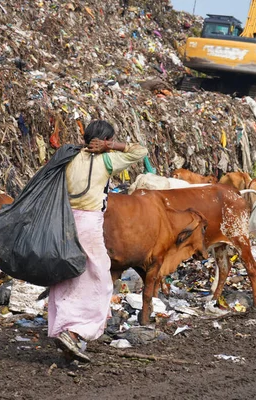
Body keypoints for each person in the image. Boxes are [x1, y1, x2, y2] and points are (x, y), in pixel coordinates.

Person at [48, 120, 148, 362]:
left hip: (62, 221)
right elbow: (141, 151)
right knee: (99, 280)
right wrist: (111, 146)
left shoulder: (69, 156)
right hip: (87, 224)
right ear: (104, 140)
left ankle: (64, 330)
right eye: (109, 139)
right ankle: (75, 331)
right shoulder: (107, 160)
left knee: (66, 275)